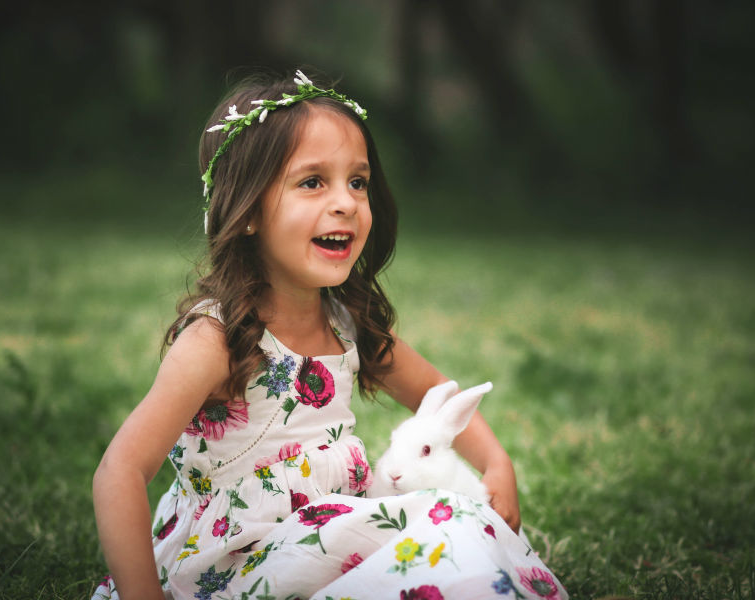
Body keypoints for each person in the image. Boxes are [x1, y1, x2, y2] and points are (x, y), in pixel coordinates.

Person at [91, 69, 567, 600]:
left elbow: (439, 395)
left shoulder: (347, 325)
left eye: (357, 182)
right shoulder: (217, 341)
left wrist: (497, 462)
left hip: (336, 535)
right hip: (243, 562)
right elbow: (121, 470)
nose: (345, 201)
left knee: (454, 522)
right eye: (313, 181)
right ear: (246, 210)